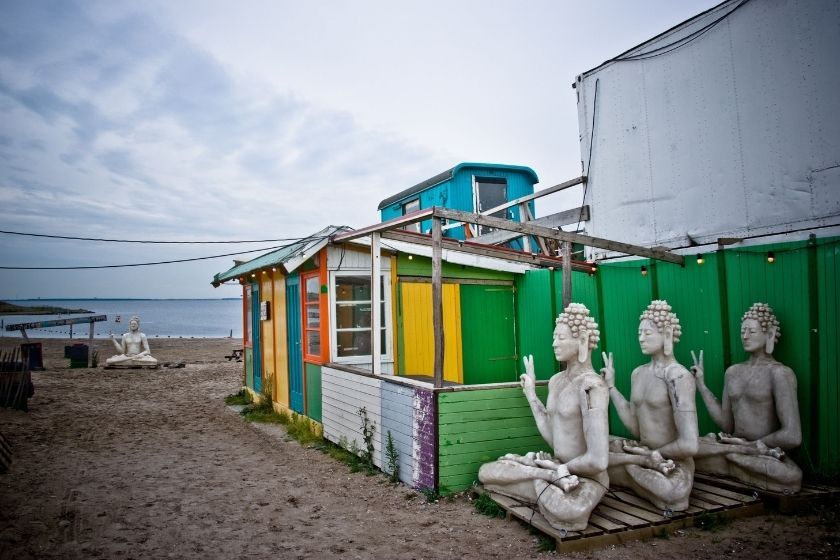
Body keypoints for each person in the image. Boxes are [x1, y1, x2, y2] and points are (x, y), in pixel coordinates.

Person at [478, 303, 609, 532]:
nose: (554, 343)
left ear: (582, 340)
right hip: (555, 467)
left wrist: (561, 468)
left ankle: (540, 477)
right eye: (554, 337)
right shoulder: (556, 381)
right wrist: (530, 393)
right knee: (486, 472)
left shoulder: (592, 385)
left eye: (560, 337)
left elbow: (598, 461)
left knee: (569, 511)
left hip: (586, 478)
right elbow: (553, 434)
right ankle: (544, 476)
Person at [691, 302, 802, 493]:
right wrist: (701, 385)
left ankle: (732, 459)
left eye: (751, 331)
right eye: (742, 331)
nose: (744, 336)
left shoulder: (780, 374)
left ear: (769, 334)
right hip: (733, 445)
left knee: (790, 476)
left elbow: (792, 435)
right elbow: (726, 426)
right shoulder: (733, 372)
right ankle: (735, 458)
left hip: (762, 451)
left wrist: (751, 445)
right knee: (689, 448)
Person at [602, 300, 698, 512]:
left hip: (671, 461)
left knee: (673, 493)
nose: (641, 338)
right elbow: (636, 428)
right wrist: (611, 388)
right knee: (592, 450)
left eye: (647, 333)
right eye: (639, 333)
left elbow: (690, 444)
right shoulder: (638, 373)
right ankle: (633, 471)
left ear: (667, 334)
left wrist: (653, 456)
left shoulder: (678, 375)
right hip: (643, 454)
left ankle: (629, 472)